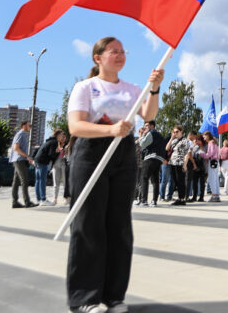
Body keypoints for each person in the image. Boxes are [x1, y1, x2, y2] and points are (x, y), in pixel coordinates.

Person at [66, 36, 163, 313]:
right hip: (91, 152)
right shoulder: (86, 87)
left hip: (123, 154)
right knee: (89, 226)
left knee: (119, 226)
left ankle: (113, 296)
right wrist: (109, 130)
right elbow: (75, 126)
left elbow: (148, 114)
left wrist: (154, 88)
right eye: (114, 51)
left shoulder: (132, 88)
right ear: (98, 57)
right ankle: (85, 298)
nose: (120, 55)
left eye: (123, 51)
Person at [9, 121, 37, 209]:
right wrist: (27, 156)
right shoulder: (20, 134)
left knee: (16, 181)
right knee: (24, 180)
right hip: (19, 160)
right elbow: (16, 148)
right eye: (30, 125)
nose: (31, 127)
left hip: (18, 159)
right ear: (24, 125)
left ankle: (15, 202)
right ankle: (27, 202)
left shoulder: (23, 134)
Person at [138, 120, 166, 207]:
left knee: (144, 178)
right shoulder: (160, 136)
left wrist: (142, 135)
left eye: (147, 125)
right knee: (155, 180)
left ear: (152, 126)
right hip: (159, 159)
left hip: (150, 157)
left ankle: (144, 201)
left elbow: (142, 144)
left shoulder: (151, 133)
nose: (145, 127)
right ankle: (154, 201)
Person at [34, 130, 59, 205]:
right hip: (43, 162)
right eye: (61, 135)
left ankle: (38, 199)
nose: (62, 137)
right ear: (58, 135)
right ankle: (43, 199)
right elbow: (51, 154)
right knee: (42, 180)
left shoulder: (48, 141)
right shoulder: (54, 142)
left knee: (38, 180)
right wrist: (57, 153)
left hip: (37, 160)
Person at [167, 125, 189, 205]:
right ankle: (180, 198)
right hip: (173, 163)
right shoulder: (174, 141)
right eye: (174, 132)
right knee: (176, 181)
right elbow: (167, 148)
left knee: (181, 181)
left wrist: (185, 164)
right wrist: (171, 138)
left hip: (180, 162)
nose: (175, 133)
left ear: (181, 132)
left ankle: (182, 199)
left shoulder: (185, 141)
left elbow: (187, 153)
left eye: (177, 132)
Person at [201, 131, 221, 202]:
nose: (204, 139)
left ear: (208, 136)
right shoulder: (215, 142)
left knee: (212, 179)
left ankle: (214, 195)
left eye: (204, 137)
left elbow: (210, 153)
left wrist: (202, 154)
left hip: (212, 161)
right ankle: (217, 195)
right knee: (215, 179)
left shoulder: (210, 143)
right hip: (216, 161)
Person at [51, 131, 69, 205]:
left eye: (64, 137)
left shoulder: (66, 145)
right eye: (62, 137)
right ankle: (55, 199)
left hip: (64, 163)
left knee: (65, 182)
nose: (63, 138)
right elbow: (52, 153)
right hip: (55, 163)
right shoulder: (55, 144)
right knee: (56, 182)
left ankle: (66, 198)